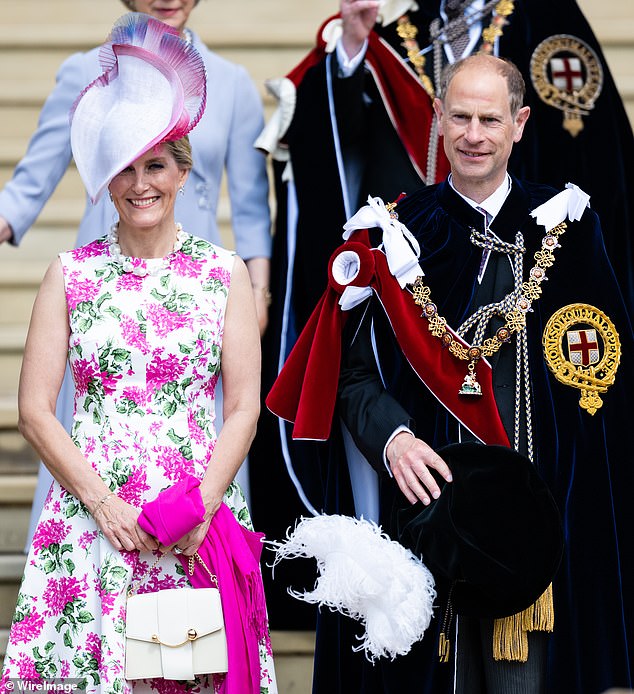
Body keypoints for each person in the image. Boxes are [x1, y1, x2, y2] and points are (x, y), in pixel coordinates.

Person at [249, 0, 634, 628]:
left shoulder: (564, 224)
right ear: (440, 118)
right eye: (460, 117)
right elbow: (349, 375)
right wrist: (395, 437)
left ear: (518, 124)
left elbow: (599, 361)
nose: (474, 134)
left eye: (490, 119)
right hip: (419, 515)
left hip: (530, 516)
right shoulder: (388, 235)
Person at [0, 14, 277, 692]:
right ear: (106, 180)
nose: (140, 183)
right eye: (124, 168)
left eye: (156, 164)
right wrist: (101, 504)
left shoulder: (224, 275)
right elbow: (35, 411)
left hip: (195, 522)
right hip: (94, 525)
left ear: (182, 172)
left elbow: (244, 407)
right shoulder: (70, 275)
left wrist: (203, 505)